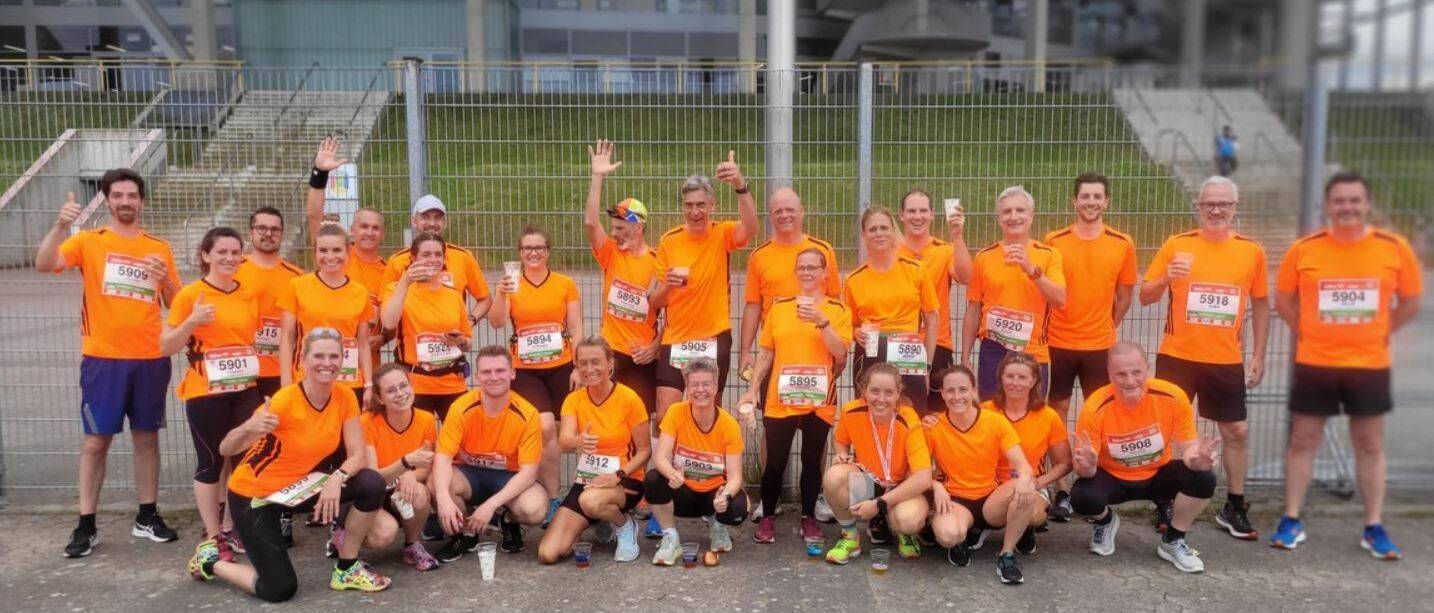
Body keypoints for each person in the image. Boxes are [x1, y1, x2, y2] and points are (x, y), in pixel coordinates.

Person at [1271, 171, 1423, 559]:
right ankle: (1291, 519)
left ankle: (1373, 525)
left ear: (1367, 204)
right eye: (1340, 201)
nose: (1347, 207)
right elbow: (1284, 300)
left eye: (1355, 200)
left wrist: (1381, 331)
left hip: (1369, 364)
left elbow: (1409, 301)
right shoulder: (1305, 249)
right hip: (1316, 363)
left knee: (1369, 443)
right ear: (1328, 206)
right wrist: (1307, 331)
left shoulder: (1393, 248)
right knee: (1303, 440)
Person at [34, 171, 182, 557]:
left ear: (142, 201)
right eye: (117, 195)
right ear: (108, 201)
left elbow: (176, 305)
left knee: (147, 437)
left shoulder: (159, 247)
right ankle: (86, 524)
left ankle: (147, 515)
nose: (125, 201)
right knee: (96, 442)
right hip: (103, 360)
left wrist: (165, 280)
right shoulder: (88, 241)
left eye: (132, 195)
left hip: (150, 358)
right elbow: (44, 263)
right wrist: (60, 225)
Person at [187, 327, 393, 600]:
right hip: (255, 496)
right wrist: (250, 427)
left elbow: (357, 455)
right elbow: (226, 448)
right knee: (279, 589)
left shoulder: (343, 397)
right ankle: (211, 562)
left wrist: (337, 477)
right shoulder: (284, 401)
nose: (327, 363)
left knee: (371, 482)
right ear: (303, 361)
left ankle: (347, 569)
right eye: (319, 355)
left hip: (298, 487)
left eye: (334, 356)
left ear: (342, 360)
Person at [1140, 175, 1268, 540]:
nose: (1216, 210)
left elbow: (1261, 302)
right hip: (1177, 355)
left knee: (1236, 430)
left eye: (1223, 204)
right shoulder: (1176, 245)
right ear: (1198, 207)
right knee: (1166, 432)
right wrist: (1166, 275)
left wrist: (1258, 353)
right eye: (1209, 203)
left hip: (1224, 358)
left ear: (1234, 208)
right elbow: (1146, 296)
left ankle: (1234, 505)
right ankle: (1163, 500)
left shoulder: (1250, 251)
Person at [1069, 341, 1220, 574]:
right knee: (1081, 496)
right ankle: (1105, 521)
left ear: (1146, 369)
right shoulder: (1094, 407)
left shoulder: (1172, 395)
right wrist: (1087, 466)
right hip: (1114, 477)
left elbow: (1189, 446)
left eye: (1136, 372)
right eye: (1121, 374)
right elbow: (1084, 469)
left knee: (1204, 477)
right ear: (1109, 374)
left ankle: (1173, 539)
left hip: (1158, 474)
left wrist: (1197, 459)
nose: (1130, 381)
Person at [161, 227, 263, 560]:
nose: (230, 259)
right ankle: (212, 533)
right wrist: (192, 321)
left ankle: (232, 528)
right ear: (206, 255)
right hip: (206, 392)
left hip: (245, 389)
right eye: (222, 252)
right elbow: (166, 346)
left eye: (235, 252)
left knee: (242, 460)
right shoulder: (190, 295)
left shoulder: (247, 294)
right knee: (211, 461)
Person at [739, 248, 852, 545]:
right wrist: (752, 390)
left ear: (825, 273)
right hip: (781, 399)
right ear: (796, 272)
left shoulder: (838, 311)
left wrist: (822, 321)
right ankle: (767, 517)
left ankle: (808, 517)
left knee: (812, 460)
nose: (806, 272)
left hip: (818, 400)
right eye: (801, 267)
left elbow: (841, 354)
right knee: (775, 460)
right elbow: (766, 353)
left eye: (813, 267)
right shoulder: (779, 308)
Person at [1042, 172, 1136, 521]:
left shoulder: (1122, 242)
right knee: (1056, 417)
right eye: (1085, 197)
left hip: (1099, 345)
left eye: (1098, 197)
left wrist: (1107, 326)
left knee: (1099, 416)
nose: (1091, 202)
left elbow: (1126, 294)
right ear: (1074, 201)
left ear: (1106, 202)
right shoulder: (1055, 240)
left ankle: (1097, 485)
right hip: (1058, 343)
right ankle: (1060, 491)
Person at [649, 152, 760, 425]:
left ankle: (711, 465)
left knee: (709, 411)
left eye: (701, 205)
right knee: (665, 414)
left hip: (713, 336)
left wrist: (740, 184)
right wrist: (667, 288)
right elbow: (654, 301)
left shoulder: (722, 233)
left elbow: (752, 226)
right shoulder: (669, 241)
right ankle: (667, 467)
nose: (695, 212)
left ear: (712, 204)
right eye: (689, 205)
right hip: (676, 339)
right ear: (683, 207)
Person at [487, 225, 584, 525]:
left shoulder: (564, 284)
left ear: (548, 251)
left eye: (539, 248)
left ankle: (569, 492)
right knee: (544, 429)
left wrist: (579, 366)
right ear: (519, 253)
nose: (533, 253)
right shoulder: (511, 285)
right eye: (527, 248)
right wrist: (502, 294)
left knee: (562, 431)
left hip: (562, 366)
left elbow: (577, 327)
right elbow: (496, 322)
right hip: (527, 369)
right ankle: (553, 496)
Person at [428, 346, 549, 561]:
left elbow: (529, 473)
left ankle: (508, 519)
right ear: (477, 376)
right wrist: (443, 497)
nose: (493, 377)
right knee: (436, 484)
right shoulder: (460, 408)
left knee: (535, 508)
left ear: (512, 373)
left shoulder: (528, 414)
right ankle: (465, 533)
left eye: (500, 371)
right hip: (468, 475)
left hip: (506, 477)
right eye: (486, 372)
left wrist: (491, 506)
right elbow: (443, 457)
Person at [538, 338, 651, 564]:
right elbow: (564, 441)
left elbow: (645, 451)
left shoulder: (630, 399)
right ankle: (598, 520)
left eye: (596, 362)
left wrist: (617, 475)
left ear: (610, 364)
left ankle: (624, 525)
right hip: (588, 481)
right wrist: (577, 441)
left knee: (591, 502)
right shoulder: (574, 400)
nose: (589, 369)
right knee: (547, 554)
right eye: (583, 363)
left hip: (623, 480)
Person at [923, 365, 1038, 584]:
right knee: (948, 535)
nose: (957, 396)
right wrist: (936, 486)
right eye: (950, 391)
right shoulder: (933, 426)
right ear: (943, 394)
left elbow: (1023, 466)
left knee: (1026, 488)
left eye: (963, 389)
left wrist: (1024, 480)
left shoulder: (994, 421)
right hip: (955, 500)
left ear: (974, 391)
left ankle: (1007, 555)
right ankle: (958, 537)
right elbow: (915, 472)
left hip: (990, 500)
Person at [960, 186, 1066, 400]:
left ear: (1031, 216)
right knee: (992, 416)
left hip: (1033, 351)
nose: (1014, 216)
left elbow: (1059, 299)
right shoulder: (984, 257)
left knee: (1031, 418)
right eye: (1007, 212)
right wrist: (964, 357)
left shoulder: (1048, 255)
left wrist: (1030, 269)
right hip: (993, 351)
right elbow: (973, 310)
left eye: (1020, 210)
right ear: (999, 219)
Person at [820, 363, 933, 564]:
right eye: (874, 391)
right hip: (869, 481)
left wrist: (880, 504)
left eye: (888, 392)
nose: (881, 399)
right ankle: (850, 537)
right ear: (864, 390)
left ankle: (903, 533)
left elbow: (923, 478)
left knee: (909, 520)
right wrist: (841, 455)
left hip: (900, 488)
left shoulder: (909, 419)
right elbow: (840, 439)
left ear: (898, 393)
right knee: (834, 475)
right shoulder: (851, 411)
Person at [736, 186, 840, 400]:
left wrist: (838, 351)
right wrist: (745, 352)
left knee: (815, 420)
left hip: (816, 347)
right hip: (776, 349)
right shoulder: (760, 256)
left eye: (790, 210)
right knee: (773, 421)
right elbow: (754, 306)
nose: (785, 215)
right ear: (770, 216)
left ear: (801, 211)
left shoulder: (824, 250)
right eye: (778, 211)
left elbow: (835, 301)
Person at [583, 140, 661, 415]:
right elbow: (591, 224)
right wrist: (597, 177)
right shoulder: (612, 255)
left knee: (639, 418)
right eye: (613, 227)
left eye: (620, 227)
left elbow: (675, 314)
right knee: (606, 416)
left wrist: (655, 347)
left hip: (641, 357)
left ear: (638, 227)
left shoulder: (657, 262)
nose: (614, 233)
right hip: (611, 353)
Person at [646, 358, 750, 565]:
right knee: (653, 479)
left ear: (716, 386)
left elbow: (736, 476)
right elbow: (660, 457)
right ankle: (670, 537)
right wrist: (672, 474)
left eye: (706, 384)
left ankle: (718, 525)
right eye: (694, 384)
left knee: (738, 508)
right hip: (683, 491)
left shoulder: (729, 425)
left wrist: (726, 495)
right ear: (687, 386)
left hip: (713, 495)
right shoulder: (676, 412)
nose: (700, 390)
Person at [843, 207, 939, 412]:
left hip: (908, 352)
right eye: (873, 229)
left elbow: (931, 322)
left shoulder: (916, 270)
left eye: (884, 228)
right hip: (871, 352)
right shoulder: (854, 279)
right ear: (864, 235)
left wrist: (927, 366)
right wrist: (855, 333)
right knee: (870, 414)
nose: (879, 233)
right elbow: (850, 325)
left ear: (893, 231)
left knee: (911, 415)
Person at [306, 137, 387, 369]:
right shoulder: (337, 255)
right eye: (363, 226)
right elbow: (314, 217)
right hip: (322, 360)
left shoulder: (389, 270)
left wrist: (383, 338)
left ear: (382, 234)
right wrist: (319, 174)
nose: (369, 232)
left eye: (375, 228)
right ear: (352, 230)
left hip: (363, 368)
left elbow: (390, 322)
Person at [980, 352, 1071, 555]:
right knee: (986, 507)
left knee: (1034, 513)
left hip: (1030, 484)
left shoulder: (1048, 416)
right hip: (990, 485)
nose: (1015, 383)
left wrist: (1040, 482)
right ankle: (984, 525)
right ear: (1001, 378)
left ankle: (1024, 529)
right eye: (1010, 376)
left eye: (1022, 377)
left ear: (1034, 381)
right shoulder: (986, 411)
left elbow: (1065, 463)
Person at [276, 224, 374, 402]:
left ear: (348, 253)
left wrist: (368, 384)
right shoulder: (297, 286)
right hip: (307, 381)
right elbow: (287, 337)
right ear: (315, 254)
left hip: (349, 383)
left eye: (337, 250)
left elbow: (363, 343)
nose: (330, 257)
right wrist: (286, 384)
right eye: (323, 250)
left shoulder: (360, 292)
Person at [896, 189, 974, 410]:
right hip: (901, 343)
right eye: (911, 211)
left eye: (923, 211)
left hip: (938, 343)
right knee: (902, 413)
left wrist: (957, 236)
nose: (917, 216)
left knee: (936, 417)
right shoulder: (893, 252)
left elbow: (966, 276)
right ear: (901, 215)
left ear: (932, 214)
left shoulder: (944, 250)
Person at [380, 232, 472, 420]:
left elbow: (468, 342)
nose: (433, 259)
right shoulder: (397, 289)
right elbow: (388, 323)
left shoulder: (453, 294)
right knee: (422, 445)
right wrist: (405, 282)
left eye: (438, 254)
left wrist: (460, 340)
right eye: (426, 255)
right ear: (413, 258)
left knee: (460, 444)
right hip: (416, 384)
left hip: (452, 383)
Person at [359, 364, 440, 571]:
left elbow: (426, 464)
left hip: (400, 490)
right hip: (372, 494)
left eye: (404, 386)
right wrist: (404, 465)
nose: (400, 394)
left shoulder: (426, 419)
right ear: (379, 398)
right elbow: (372, 478)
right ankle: (344, 538)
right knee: (384, 536)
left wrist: (412, 475)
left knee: (420, 494)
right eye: (391, 390)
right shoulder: (367, 422)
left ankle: (412, 545)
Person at [380, 191, 492, 329]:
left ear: (445, 223)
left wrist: (468, 322)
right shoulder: (397, 261)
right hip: (411, 346)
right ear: (414, 221)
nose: (432, 223)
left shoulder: (463, 257)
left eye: (438, 218)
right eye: (425, 217)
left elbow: (485, 299)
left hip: (452, 344)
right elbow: (386, 309)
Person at [235, 207, 305, 398]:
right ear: (250, 232)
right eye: (262, 228)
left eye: (275, 230)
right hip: (241, 371)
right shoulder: (233, 271)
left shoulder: (297, 277)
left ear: (282, 234)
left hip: (281, 372)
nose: (268, 233)